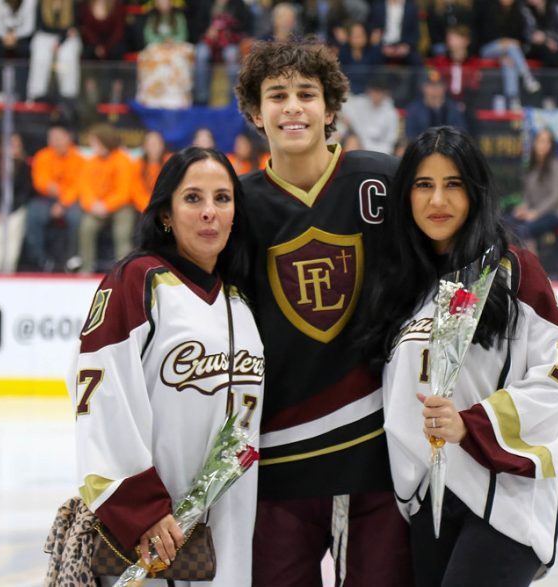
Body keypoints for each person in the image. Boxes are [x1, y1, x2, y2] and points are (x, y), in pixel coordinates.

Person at [359, 125, 558, 587]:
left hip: (503, 495)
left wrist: (474, 424)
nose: (438, 200)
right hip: (426, 498)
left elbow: (557, 374)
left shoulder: (512, 270)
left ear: (476, 192)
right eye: (424, 185)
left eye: (453, 184)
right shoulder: (399, 286)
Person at [234, 37, 413, 587]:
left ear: (331, 108)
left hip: (378, 455)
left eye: (306, 94)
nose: (292, 107)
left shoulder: (381, 180)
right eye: (277, 95)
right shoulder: (237, 205)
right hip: (277, 459)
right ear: (254, 112)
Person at [69, 147, 263, 586]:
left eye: (223, 198)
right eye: (193, 198)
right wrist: (142, 510)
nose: (210, 212)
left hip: (231, 533)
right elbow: (99, 395)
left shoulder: (241, 302)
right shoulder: (138, 281)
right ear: (166, 215)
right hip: (153, 537)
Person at [75, 123, 136, 274]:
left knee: (122, 230)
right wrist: (92, 204)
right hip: (97, 207)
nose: (92, 145)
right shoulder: (91, 162)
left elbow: (124, 191)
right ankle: (86, 267)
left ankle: (123, 270)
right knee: (86, 227)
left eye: (94, 142)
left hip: (120, 206)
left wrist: (106, 206)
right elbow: (84, 187)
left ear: (104, 141)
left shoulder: (122, 160)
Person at [26, 125, 86, 272]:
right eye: (52, 139)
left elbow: (79, 185)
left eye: (59, 138)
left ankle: (72, 258)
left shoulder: (79, 158)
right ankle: (39, 259)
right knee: (33, 213)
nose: (55, 142)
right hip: (46, 198)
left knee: (76, 218)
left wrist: (63, 203)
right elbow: (40, 181)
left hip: (70, 200)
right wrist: (48, 187)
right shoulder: (42, 156)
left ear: (68, 139)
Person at [506, 128, 558, 250]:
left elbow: (556, 196)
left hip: (557, 213)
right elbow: (528, 196)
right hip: (536, 212)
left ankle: (532, 268)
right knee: (508, 223)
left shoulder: (556, 165)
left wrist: (536, 213)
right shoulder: (532, 166)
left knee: (525, 230)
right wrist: (523, 208)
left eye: (546, 142)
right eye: (540, 141)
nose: (543, 145)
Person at [473, 0, 540, 112]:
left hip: (508, 52)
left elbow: (521, 39)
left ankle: (513, 100)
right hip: (487, 49)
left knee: (508, 62)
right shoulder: (489, 10)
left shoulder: (518, 13)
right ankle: (527, 76)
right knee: (511, 46)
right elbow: (484, 35)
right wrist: (503, 42)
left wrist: (506, 47)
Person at [0, 132, 32, 274]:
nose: (15, 148)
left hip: (14, 211)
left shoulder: (24, 167)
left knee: (12, 241)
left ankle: (9, 271)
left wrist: (7, 211)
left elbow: (24, 194)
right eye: (11, 144)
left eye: (18, 144)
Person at [26, 0, 81, 102]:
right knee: (41, 55)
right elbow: (40, 25)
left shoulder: (73, 3)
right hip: (45, 36)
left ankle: (69, 97)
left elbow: (75, 26)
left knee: (67, 56)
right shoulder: (41, 3)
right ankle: (36, 96)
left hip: (66, 37)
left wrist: (61, 40)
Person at [340, 76, 401, 155]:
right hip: (360, 144)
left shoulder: (391, 113)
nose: (375, 95)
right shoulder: (360, 102)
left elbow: (391, 140)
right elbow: (344, 107)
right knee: (352, 141)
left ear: (385, 93)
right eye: (373, 92)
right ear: (369, 91)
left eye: (378, 93)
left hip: (381, 150)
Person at [404, 68, 468, 141]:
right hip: (422, 147)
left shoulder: (453, 108)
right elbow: (410, 134)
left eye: (438, 85)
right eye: (431, 85)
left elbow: (461, 133)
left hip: (448, 148)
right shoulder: (414, 109)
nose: (434, 89)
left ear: (444, 88)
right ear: (423, 87)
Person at [131, 130, 172, 213]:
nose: (154, 147)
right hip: (144, 207)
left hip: (165, 205)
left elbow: (172, 188)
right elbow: (135, 191)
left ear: (162, 145)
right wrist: (148, 206)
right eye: (150, 144)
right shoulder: (137, 164)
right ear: (144, 147)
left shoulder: (171, 161)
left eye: (156, 144)